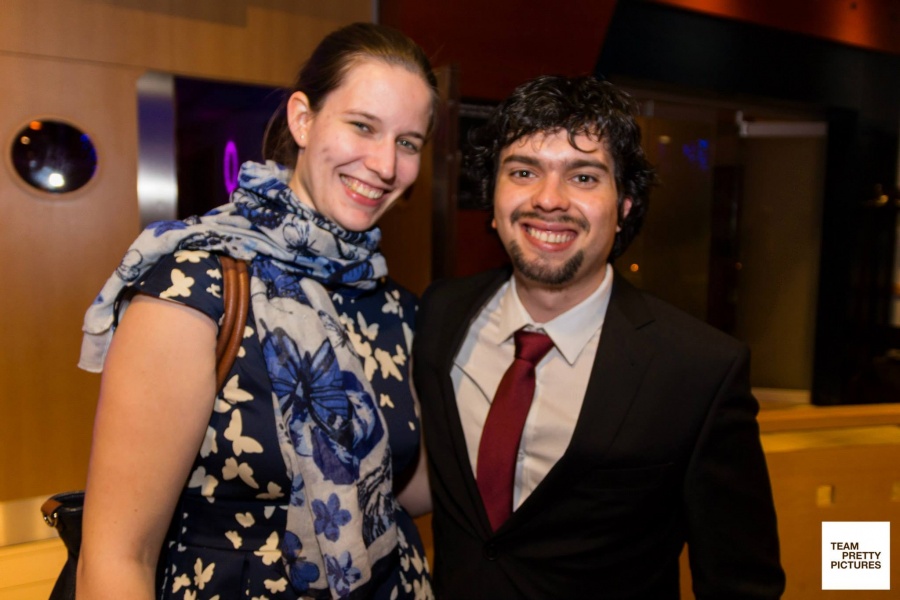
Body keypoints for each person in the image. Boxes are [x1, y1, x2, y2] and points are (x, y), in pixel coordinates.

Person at [77, 22, 436, 600]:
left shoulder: (394, 305)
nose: (386, 164)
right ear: (303, 119)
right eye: (363, 126)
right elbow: (117, 557)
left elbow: (405, 486)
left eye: (409, 142)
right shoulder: (195, 288)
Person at [413, 75, 786, 599]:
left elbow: (741, 582)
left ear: (625, 205)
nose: (548, 200)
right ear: (492, 197)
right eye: (523, 171)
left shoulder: (698, 370)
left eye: (583, 177)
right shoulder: (438, 315)